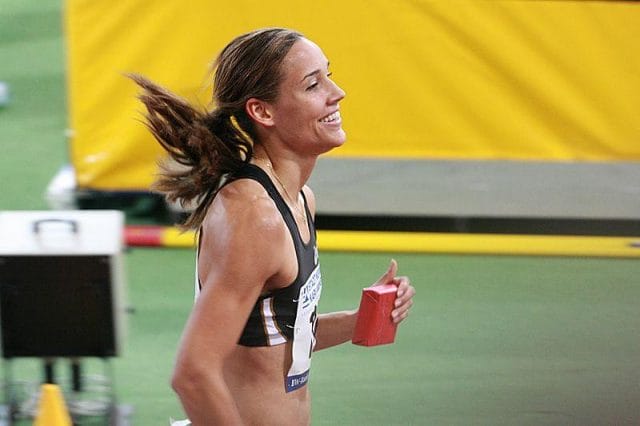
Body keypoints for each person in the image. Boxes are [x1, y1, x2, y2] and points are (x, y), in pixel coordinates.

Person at [131, 28, 416, 425]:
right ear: (263, 112)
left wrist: (360, 321)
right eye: (314, 84)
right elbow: (192, 374)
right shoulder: (255, 219)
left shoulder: (299, 199)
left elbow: (275, 340)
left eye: (328, 75)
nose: (337, 93)